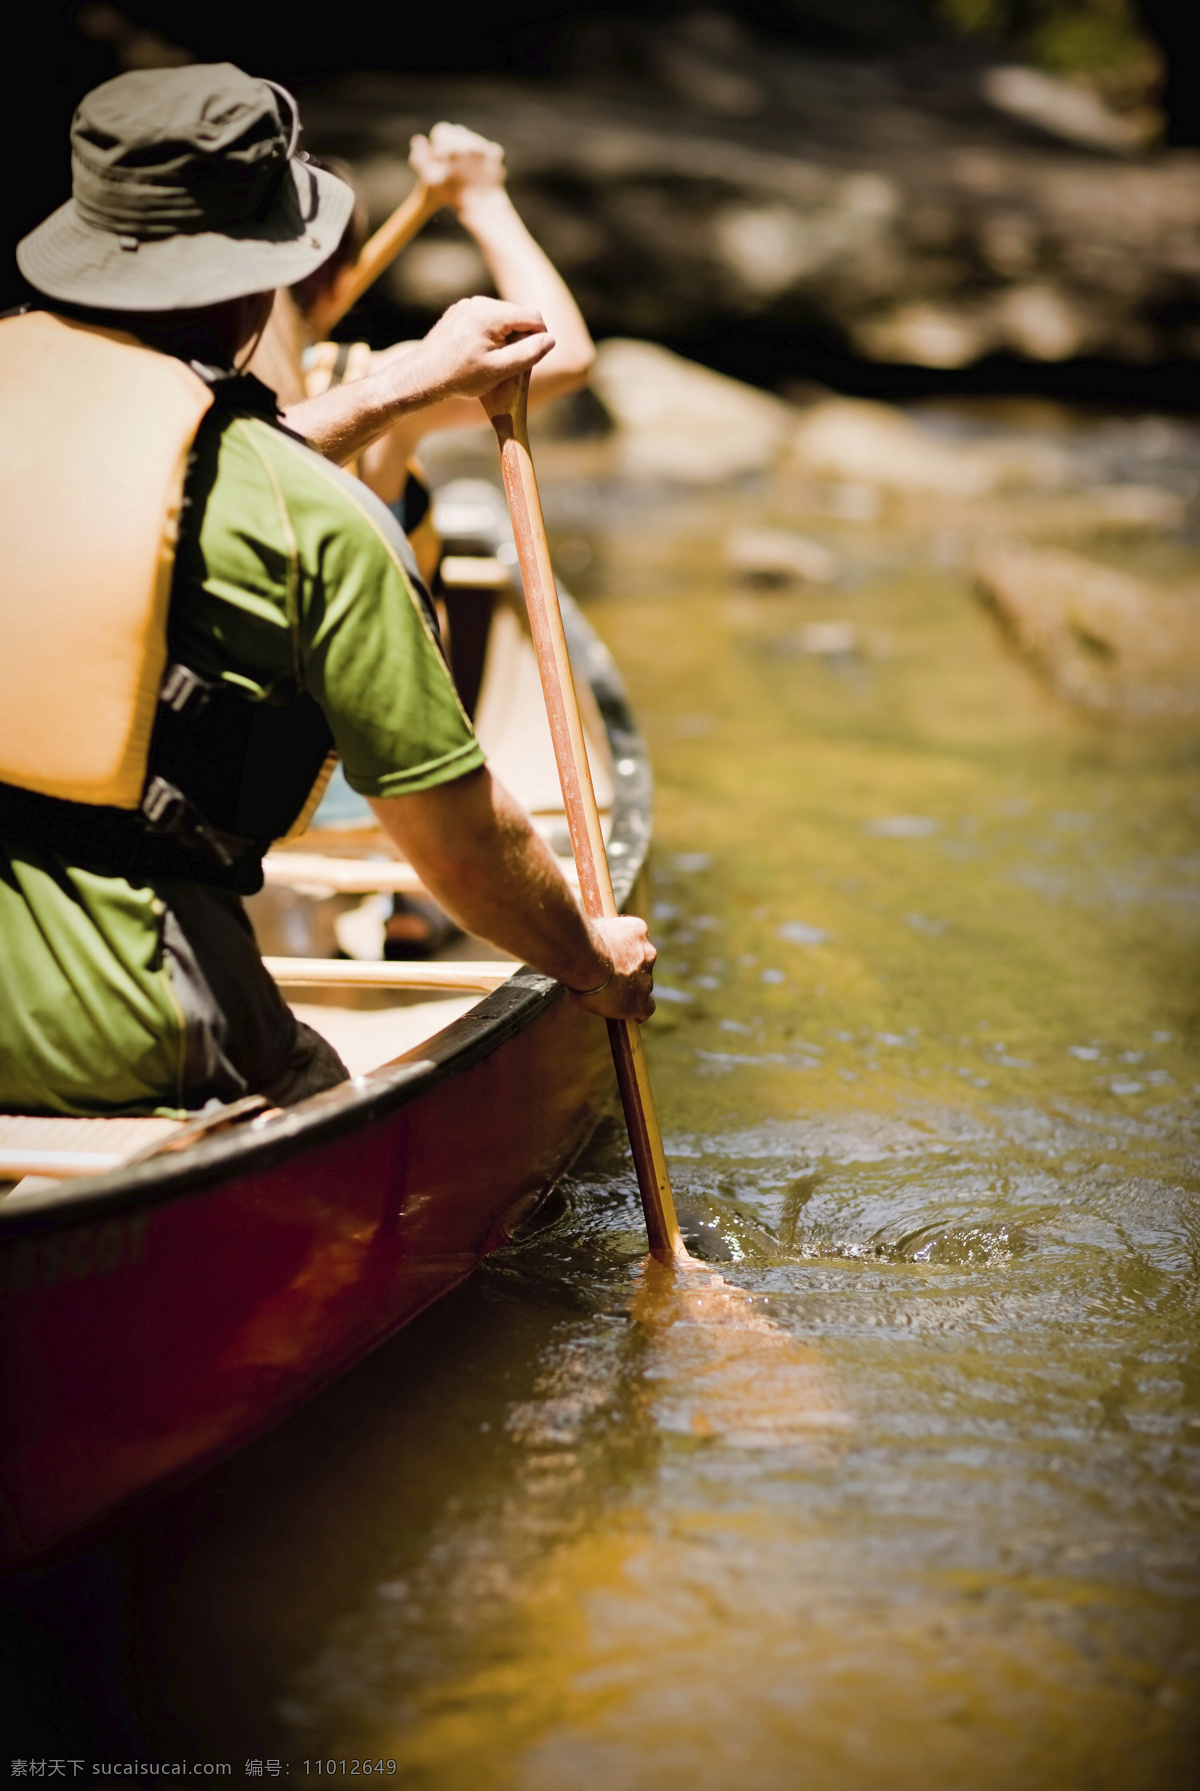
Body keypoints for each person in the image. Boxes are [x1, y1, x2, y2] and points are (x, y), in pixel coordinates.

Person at [0, 62, 654, 1119]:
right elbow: (459, 846)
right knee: (319, 1095)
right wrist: (589, 959)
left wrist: (395, 384)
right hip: (119, 1024)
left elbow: (173, 476)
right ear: (274, 270)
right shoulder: (316, 518)